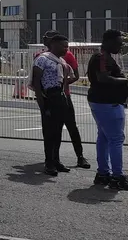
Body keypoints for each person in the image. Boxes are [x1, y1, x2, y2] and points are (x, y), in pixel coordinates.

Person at [86, 29, 128, 191]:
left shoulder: (104, 57)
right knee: (116, 139)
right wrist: (127, 80)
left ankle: (103, 173)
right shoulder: (102, 57)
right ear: (108, 41)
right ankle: (117, 177)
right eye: (118, 42)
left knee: (103, 137)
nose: (120, 45)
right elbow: (103, 78)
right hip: (108, 103)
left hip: (101, 102)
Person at [33, 30, 89, 169]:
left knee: (71, 126)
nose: (46, 41)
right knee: (50, 129)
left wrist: (62, 85)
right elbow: (36, 80)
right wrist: (42, 100)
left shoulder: (66, 57)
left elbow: (75, 75)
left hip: (64, 96)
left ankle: (80, 157)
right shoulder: (40, 57)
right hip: (49, 97)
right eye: (46, 39)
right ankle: (52, 160)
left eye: (49, 39)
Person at [32, 33, 72, 176]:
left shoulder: (61, 61)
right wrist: (42, 105)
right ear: (54, 45)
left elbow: (66, 80)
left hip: (60, 97)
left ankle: (56, 160)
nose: (66, 49)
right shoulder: (42, 59)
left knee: (58, 132)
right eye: (64, 46)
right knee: (49, 133)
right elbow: (36, 82)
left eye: (67, 47)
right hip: (49, 97)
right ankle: (49, 163)